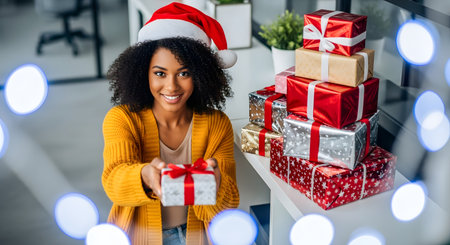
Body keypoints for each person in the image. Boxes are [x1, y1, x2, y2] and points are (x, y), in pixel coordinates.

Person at [101, 3, 239, 245]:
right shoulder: (122, 119)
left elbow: (226, 208)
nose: (172, 87)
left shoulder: (217, 125)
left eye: (184, 73)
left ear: (200, 75)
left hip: (197, 236)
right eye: (160, 73)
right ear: (143, 73)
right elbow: (114, 182)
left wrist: (216, 186)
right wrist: (145, 175)